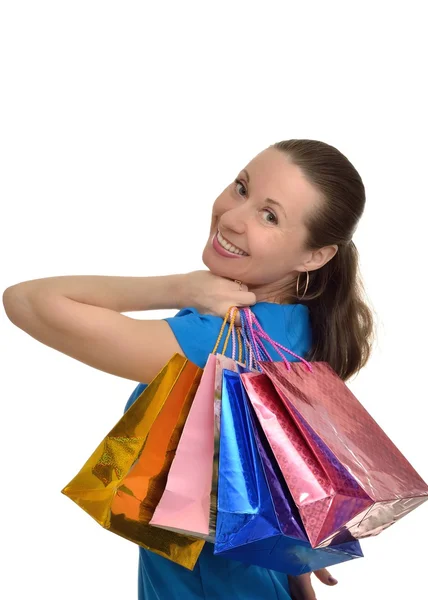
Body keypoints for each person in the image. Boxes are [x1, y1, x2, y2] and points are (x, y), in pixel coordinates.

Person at [3, 138, 374, 599]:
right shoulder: (300, 326)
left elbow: (26, 301)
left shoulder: (217, 340)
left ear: (314, 256)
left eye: (270, 216)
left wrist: (183, 288)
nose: (233, 217)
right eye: (242, 188)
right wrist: (296, 569)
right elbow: (272, 465)